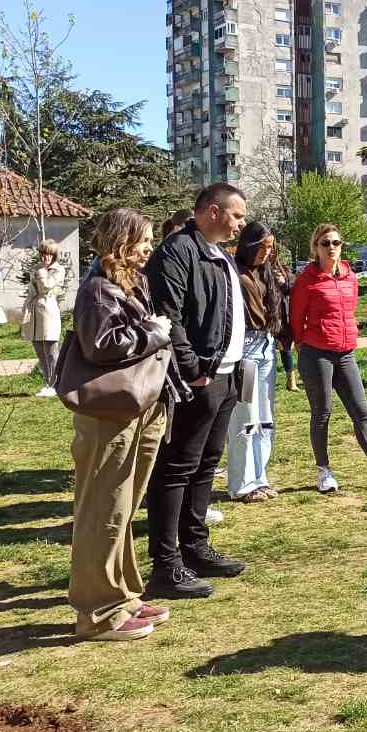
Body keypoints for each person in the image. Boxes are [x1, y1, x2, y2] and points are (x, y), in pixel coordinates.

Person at [66, 208, 183, 641]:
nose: (150, 247)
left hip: (138, 406)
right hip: (109, 414)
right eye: (144, 240)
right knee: (104, 509)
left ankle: (124, 595)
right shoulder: (98, 289)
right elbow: (101, 346)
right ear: (122, 241)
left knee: (124, 507)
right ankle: (98, 613)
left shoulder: (128, 283)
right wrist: (153, 332)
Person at [142, 184, 251, 600]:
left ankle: (195, 547)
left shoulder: (219, 254)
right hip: (199, 379)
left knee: (206, 465)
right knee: (176, 468)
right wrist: (191, 370)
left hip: (225, 377)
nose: (241, 223)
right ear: (212, 211)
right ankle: (166, 564)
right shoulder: (178, 251)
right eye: (236, 215)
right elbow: (169, 316)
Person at [290, 222, 367, 494]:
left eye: (336, 242)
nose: (331, 248)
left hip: (346, 353)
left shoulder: (350, 277)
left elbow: (350, 312)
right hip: (316, 354)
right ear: (315, 248)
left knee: (361, 412)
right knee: (322, 412)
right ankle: (324, 471)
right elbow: (296, 320)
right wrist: (303, 348)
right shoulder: (307, 281)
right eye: (325, 243)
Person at [226, 221, 284, 504]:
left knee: (265, 418)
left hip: (266, 348)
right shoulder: (234, 272)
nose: (267, 252)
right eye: (263, 247)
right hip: (245, 352)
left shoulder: (266, 273)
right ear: (249, 245)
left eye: (270, 247)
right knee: (245, 418)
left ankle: (260, 478)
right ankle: (242, 484)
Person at [22, 239, 68, 398]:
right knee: (39, 349)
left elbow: (45, 287)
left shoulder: (58, 270)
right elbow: (32, 290)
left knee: (50, 349)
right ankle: (48, 383)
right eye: (43, 253)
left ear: (54, 255)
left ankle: (56, 384)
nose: (45, 257)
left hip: (48, 311)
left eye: (49, 254)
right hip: (34, 312)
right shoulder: (37, 268)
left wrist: (41, 271)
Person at [267, 243, 299, 392]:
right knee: (271, 348)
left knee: (286, 347)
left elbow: (293, 287)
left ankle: (292, 380)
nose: (270, 253)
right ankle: (268, 379)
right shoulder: (258, 270)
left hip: (284, 315)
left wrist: (283, 281)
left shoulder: (284, 270)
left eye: (273, 250)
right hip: (268, 316)